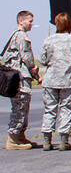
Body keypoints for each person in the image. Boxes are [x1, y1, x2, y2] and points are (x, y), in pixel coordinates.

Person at [39, 13, 71, 150]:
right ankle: (64, 140)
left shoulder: (48, 40)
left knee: (50, 109)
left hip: (51, 79)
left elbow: (42, 60)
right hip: (67, 80)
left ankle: (47, 140)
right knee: (66, 109)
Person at [3, 10, 40, 150]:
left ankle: (19, 136)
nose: (32, 24)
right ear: (21, 21)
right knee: (20, 106)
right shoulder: (21, 37)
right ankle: (13, 139)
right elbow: (27, 58)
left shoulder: (16, 35)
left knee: (23, 106)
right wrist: (34, 69)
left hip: (18, 76)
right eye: (29, 21)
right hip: (20, 77)